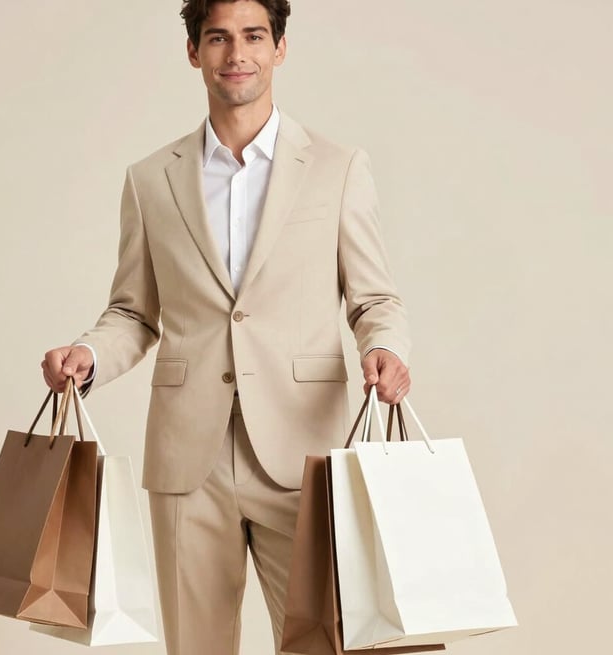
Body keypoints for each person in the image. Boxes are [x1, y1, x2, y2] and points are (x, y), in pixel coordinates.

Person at [41, 1, 411, 653]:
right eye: (217, 38)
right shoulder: (150, 179)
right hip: (190, 460)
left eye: (252, 36)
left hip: (303, 450)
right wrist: (87, 355)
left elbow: (374, 298)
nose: (236, 53)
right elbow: (132, 312)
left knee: (326, 642)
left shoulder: (337, 167)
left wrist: (382, 348)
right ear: (194, 52)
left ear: (279, 48)